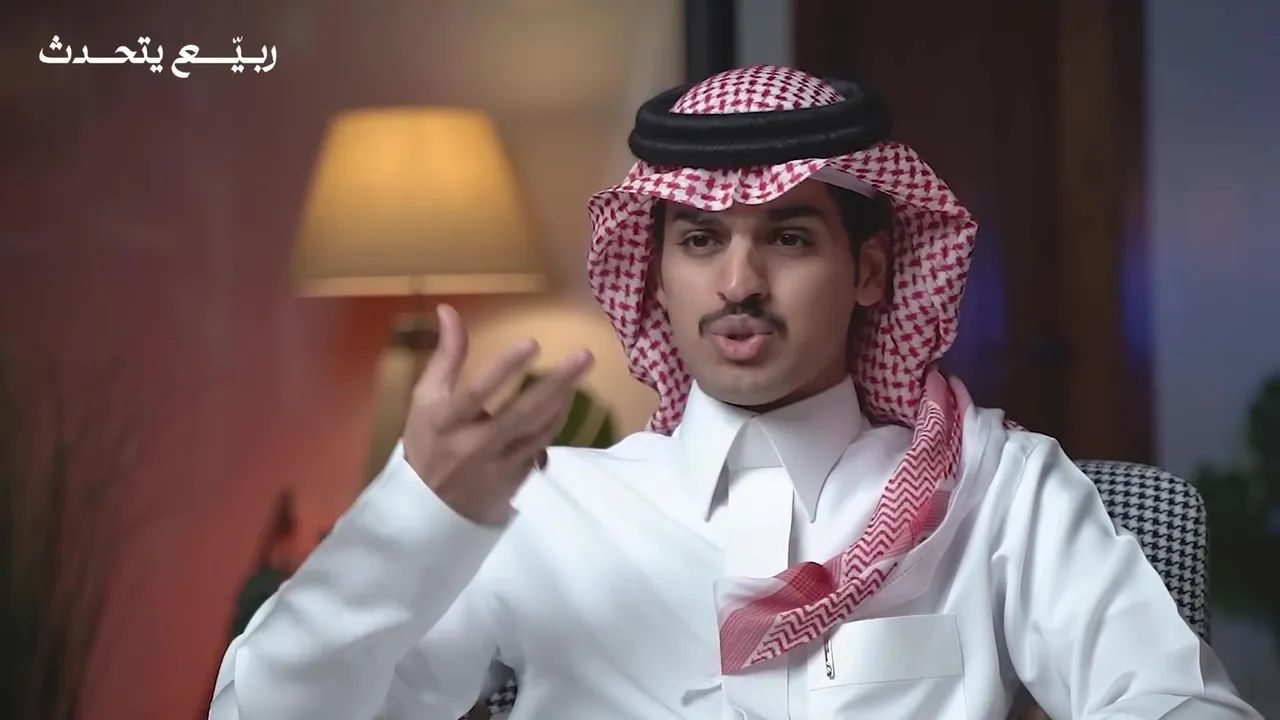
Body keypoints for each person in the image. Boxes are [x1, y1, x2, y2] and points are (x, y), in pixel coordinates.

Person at [207, 66, 1261, 719]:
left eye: (788, 239)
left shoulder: (996, 488)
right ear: (655, 274)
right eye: (701, 241)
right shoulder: (543, 509)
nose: (738, 283)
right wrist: (414, 519)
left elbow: (1178, 706)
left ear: (871, 271)